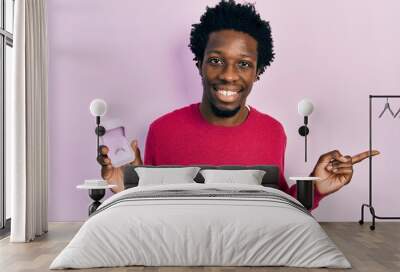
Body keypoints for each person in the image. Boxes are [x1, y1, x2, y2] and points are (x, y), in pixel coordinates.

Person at [97, 0, 379, 209]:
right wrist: (126, 189)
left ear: (257, 72)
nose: (229, 75)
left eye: (243, 64)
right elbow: (152, 208)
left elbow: (276, 207)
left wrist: (315, 189)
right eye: (216, 60)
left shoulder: (272, 131)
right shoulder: (162, 129)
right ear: (199, 64)